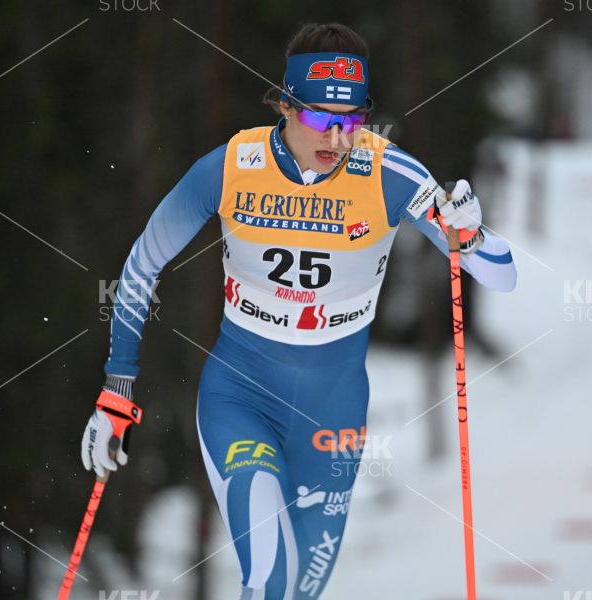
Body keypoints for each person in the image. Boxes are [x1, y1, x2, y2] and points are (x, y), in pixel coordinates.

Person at [80, 22, 517, 599]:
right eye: (319, 118)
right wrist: (117, 387)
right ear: (285, 105)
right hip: (241, 398)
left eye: (352, 120)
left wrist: (471, 235)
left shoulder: (388, 173)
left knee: (299, 591)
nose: (336, 137)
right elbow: (141, 267)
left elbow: (501, 273)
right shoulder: (231, 167)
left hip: (333, 416)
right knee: (270, 579)